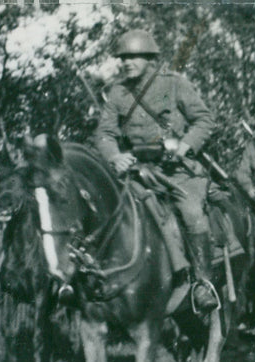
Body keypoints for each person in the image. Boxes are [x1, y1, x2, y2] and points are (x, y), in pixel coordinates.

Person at [95, 29, 218, 312]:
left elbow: (204, 119)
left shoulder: (174, 84)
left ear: (149, 58)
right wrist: (115, 156)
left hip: (177, 171)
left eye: (133, 57)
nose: (126, 62)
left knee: (191, 212)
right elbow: (104, 134)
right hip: (137, 173)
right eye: (123, 58)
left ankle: (203, 284)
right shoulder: (117, 92)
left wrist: (185, 146)